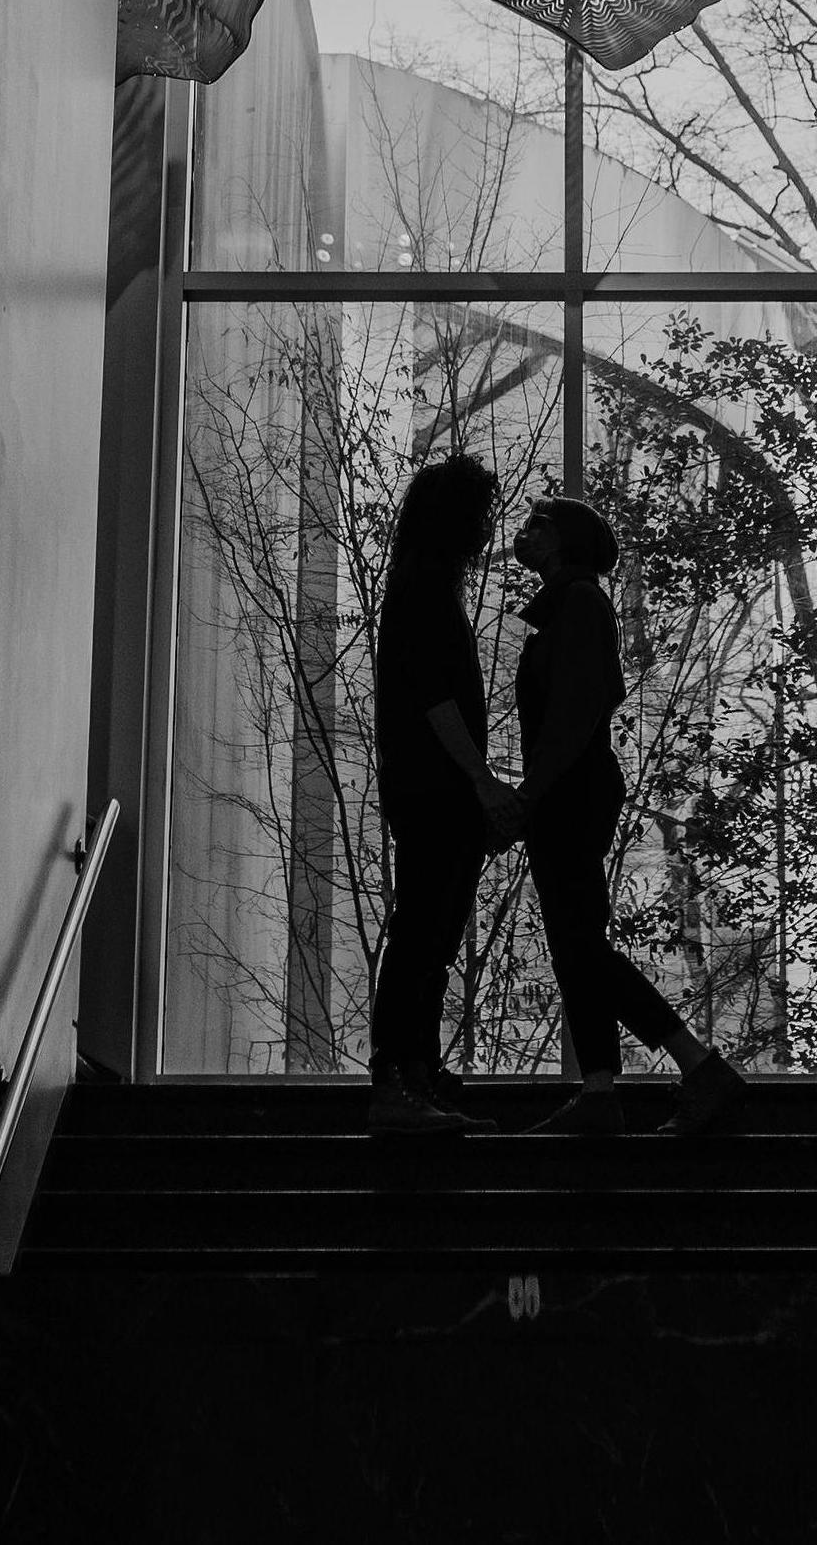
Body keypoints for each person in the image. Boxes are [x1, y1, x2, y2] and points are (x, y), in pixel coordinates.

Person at [507, 495, 743, 1137]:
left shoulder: (579, 604)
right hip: (567, 786)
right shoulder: (567, 606)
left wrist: (534, 791)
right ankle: (600, 1091)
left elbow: (578, 710)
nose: (524, 535)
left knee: (578, 942)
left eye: (537, 526)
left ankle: (700, 1068)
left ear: (562, 541)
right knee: (573, 945)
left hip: (572, 790)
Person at [367, 452, 515, 1135]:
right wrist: (481, 781)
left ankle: (418, 1074)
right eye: (480, 516)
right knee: (424, 934)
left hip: (429, 789)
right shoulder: (427, 594)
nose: (488, 529)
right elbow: (436, 701)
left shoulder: (424, 588)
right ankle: (399, 1080)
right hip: (433, 791)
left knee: (432, 934)